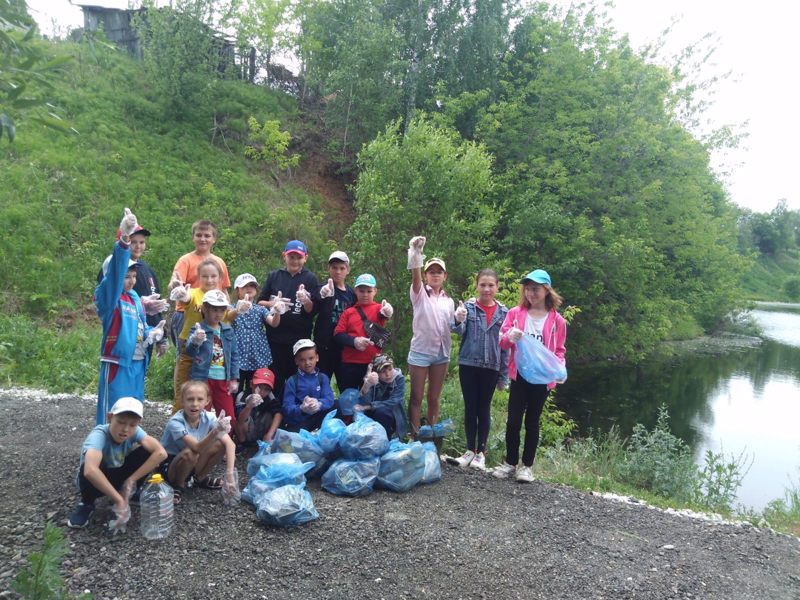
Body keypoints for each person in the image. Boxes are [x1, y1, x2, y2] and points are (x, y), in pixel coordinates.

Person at [494, 269, 566, 483]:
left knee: (532, 421)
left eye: (535, 289)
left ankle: (527, 466)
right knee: (513, 420)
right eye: (527, 289)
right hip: (520, 375)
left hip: (542, 378)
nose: (531, 293)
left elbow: (559, 350)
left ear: (546, 290)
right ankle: (510, 463)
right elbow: (502, 341)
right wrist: (510, 336)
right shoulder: (516, 314)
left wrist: (561, 369)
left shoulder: (557, 321)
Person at [95, 208, 166, 425]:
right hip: (117, 363)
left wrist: (153, 333)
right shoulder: (109, 297)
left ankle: (127, 449)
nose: (132, 280)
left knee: (134, 408)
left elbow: (141, 324)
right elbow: (116, 272)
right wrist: (125, 239)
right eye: (127, 276)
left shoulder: (134, 297)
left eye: (134, 275)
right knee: (115, 409)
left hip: (137, 362)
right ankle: (105, 451)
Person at [68, 397, 168, 529]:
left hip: (117, 473)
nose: (126, 429)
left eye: (132, 425)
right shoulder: (99, 435)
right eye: (121, 422)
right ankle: (87, 503)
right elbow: (90, 471)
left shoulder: (135, 431)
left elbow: (161, 453)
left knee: (148, 452)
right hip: (95, 481)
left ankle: (130, 492)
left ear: (138, 423)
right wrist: (119, 500)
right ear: (110, 417)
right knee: (89, 466)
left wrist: (131, 481)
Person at [450, 269, 510, 471]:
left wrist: (504, 376)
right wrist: (458, 318)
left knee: (483, 409)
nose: (486, 289)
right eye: (483, 284)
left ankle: (481, 452)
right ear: (477, 285)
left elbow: (506, 347)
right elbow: (458, 330)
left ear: (497, 287)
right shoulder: (468, 307)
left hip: (491, 366)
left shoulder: (504, 312)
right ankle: (469, 449)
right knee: (470, 407)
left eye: (491, 285)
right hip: (469, 364)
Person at [256, 240, 320, 398]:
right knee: (276, 380)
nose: (295, 261)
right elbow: (259, 303)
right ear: (284, 256)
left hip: (299, 342)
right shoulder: (274, 276)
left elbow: (313, 310)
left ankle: (295, 415)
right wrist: (273, 303)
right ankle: (276, 413)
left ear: (305, 258)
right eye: (291, 256)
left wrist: (306, 300)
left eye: (299, 257)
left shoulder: (310, 278)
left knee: (297, 382)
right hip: (274, 339)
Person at [405, 236, 455, 437]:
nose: (435, 275)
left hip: (442, 353)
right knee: (416, 397)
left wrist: (460, 320)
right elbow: (415, 277)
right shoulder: (419, 294)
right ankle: (414, 436)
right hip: (421, 351)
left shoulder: (449, 301)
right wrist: (416, 254)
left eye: (439, 272)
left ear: (445, 276)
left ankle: (432, 437)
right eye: (431, 272)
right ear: (426, 275)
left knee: (434, 397)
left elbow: (452, 326)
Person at [97, 224, 168, 360]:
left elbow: (157, 308)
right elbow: (109, 298)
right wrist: (140, 306)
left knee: (140, 371)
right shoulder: (112, 269)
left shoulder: (147, 270)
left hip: (146, 336)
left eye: (141, 242)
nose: (138, 246)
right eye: (133, 242)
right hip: (122, 338)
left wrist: (161, 337)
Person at [160, 380, 236, 503]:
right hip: (170, 466)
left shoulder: (209, 417)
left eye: (200, 399)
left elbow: (230, 444)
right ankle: (178, 485)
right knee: (190, 452)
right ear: (182, 401)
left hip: (193, 460)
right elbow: (196, 448)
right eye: (190, 399)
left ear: (207, 401)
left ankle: (199, 479)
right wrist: (215, 431)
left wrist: (230, 475)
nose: (195, 404)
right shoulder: (175, 422)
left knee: (221, 444)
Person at [170, 258, 230, 409]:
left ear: (220, 278)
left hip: (210, 350)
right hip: (189, 348)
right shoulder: (194, 293)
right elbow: (186, 298)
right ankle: (177, 427)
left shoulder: (221, 296)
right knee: (184, 390)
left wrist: (239, 310)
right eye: (205, 276)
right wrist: (181, 293)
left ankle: (200, 426)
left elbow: (227, 318)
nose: (209, 280)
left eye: (213, 276)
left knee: (200, 393)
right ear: (198, 277)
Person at [167, 219, 231, 347]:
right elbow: (174, 283)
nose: (203, 239)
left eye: (207, 236)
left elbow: (224, 290)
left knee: (214, 354)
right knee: (187, 355)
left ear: (214, 239)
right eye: (199, 235)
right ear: (193, 237)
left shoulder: (219, 262)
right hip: (187, 313)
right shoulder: (185, 260)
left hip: (214, 314)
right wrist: (175, 286)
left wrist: (228, 313)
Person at [184, 290, 240, 424]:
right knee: (201, 415)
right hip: (203, 379)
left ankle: (222, 443)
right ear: (205, 309)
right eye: (214, 310)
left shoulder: (228, 330)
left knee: (229, 417)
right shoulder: (197, 329)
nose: (218, 314)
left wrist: (234, 378)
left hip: (223, 380)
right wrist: (196, 341)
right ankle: (200, 442)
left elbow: (234, 355)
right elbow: (190, 352)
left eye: (222, 310)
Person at [333, 273, 393, 391]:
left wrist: (388, 310)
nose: (365, 294)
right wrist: (354, 341)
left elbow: (385, 313)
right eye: (362, 291)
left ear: (375, 291)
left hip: (373, 364)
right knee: (349, 399)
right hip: (350, 364)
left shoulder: (378, 308)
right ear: (356, 291)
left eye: (369, 291)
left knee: (372, 399)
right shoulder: (348, 312)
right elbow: (338, 334)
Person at [230, 273, 282, 398]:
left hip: (257, 355)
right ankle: (235, 414)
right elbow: (227, 319)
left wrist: (278, 312)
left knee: (255, 388)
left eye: (252, 286)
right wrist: (239, 309)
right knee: (235, 388)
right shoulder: (231, 309)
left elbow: (273, 323)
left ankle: (253, 414)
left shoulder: (260, 309)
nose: (249, 288)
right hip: (238, 355)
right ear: (237, 290)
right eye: (245, 286)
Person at [313, 251, 356, 388]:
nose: (338, 271)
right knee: (321, 385)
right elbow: (317, 297)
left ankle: (344, 410)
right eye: (334, 267)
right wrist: (323, 293)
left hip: (344, 349)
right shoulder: (323, 288)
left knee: (346, 386)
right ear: (329, 269)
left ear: (347, 270)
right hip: (324, 348)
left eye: (342, 268)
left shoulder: (351, 294)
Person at [339, 354, 407, 439]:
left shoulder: (399, 378)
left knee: (382, 412)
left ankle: (386, 439)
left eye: (390, 369)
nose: (388, 374)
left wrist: (369, 406)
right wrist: (367, 385)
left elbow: (394, 401)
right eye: (383, 371)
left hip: (392, 415)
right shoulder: (372, 378)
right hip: (372, 413)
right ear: (376, 373)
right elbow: (363, 402)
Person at [282, 339, 335, 432]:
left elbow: (329, 398)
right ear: (296, 361)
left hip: (319, 417)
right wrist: (302, 408)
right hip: (301, 420)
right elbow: (287, 407)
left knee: (337, 405)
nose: (307, 363)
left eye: (311, 358)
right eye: (302, 360)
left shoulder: (322, 378)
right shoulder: (292, 381)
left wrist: (318, 404)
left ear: (317, 358)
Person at [234, 367, 283, 444]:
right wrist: (249, 406)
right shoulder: (242, 396)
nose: (262, 392)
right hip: (248, 430)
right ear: (251, 384)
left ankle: (266, 441)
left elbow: (278, 413)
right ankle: (243, 444)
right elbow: (240, 420)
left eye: (266, 389)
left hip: (262, 429)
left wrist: (270, 433)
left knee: (272, 415)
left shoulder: (270, 396)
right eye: (259, 387)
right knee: (241, 421)